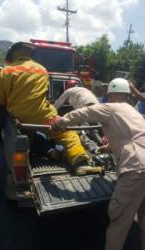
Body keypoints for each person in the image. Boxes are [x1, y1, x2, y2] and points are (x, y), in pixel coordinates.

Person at [51, 77, 145, 250]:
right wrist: (108, 148)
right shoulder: (133, 112)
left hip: (136, 169)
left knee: (118, 221)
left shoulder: (110, 107)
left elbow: (83, 113)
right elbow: (131, 136)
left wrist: (60, 123)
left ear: (112, 94)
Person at [0, 41, 100, 177]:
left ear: (14, 54)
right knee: (68, 134)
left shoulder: (6, 71)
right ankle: (80, 164)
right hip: (41, 114)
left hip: (16, 115)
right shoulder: (41, 69)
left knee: (20, 141)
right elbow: (41, 94)